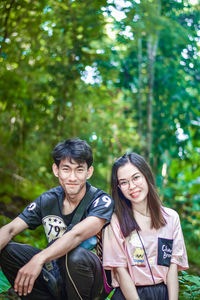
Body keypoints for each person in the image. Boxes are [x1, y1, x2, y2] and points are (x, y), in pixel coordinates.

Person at [0, 138, 114, 300]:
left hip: (91, 281)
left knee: (73, 255)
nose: (72, 177)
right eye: (66, 169)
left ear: (89, 172)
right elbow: (10, 229)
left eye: (79, 170)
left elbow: (77, 235)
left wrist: (39, 258)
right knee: (9, 252)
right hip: (55, 273)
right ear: (56, 170)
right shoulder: (48, 200)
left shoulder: (101, 201)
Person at [103, 153, 188, 300]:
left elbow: (172, 269)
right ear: (119, 188)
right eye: (123, 182)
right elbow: (121, 273)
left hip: (163, 293)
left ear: (146, 176)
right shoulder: (115, 222)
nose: (131, 186)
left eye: (136, 178)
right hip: (129, 294)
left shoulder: (171, 218)